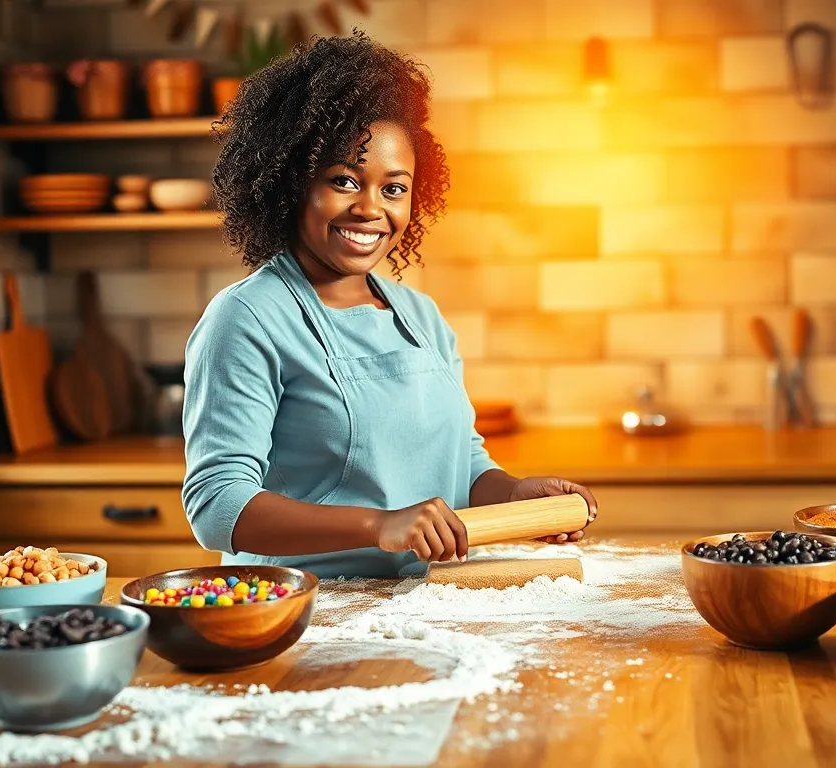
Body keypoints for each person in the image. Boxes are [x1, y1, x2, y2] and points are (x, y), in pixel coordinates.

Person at [180, 31, 598, 579]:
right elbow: (217, 507)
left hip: (420, 610)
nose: (369, 208)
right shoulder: (247, 319)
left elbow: (461, 467)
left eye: (393, 188)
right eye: (343, 180)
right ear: (289, 183)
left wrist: (515, 493)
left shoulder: (420, 318)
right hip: (310, 616)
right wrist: (379, 525)